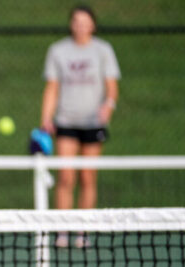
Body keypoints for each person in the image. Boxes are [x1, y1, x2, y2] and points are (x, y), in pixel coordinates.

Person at [40, 4, 120, 249]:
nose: (81, 26)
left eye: (85, 22)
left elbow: (112, 86)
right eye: (76, 21)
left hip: (93, 123)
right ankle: (62, 230)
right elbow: (52, 88)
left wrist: (109, 105)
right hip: (66, 121)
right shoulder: (58, 51)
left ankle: (83, 229)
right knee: (66, 176)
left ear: (93, 25)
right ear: (71, 24)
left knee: (87, 177)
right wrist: (46, 117)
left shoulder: (103, 50)